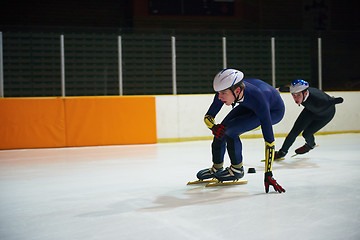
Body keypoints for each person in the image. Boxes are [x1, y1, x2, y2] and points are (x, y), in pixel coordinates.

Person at [197, 68, 286, 193]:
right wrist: (214, 127)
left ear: (237, 90)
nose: (219, 97)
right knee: (221, 131)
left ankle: (237, 170)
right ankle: (217, 168)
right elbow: (208, 117)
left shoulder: (258, 98)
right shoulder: (227, 90)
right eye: (218, 93)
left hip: (272, 110)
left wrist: (268, 174)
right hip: (248, 104)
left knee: (231, 131)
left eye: (223, 94)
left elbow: (269, 141)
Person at [274, 79, 344, 159]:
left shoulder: (319, 98)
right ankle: (282, 152)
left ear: (305, 93)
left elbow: (334, 100)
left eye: (298, 95)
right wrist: (276, 90)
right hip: (310, 111)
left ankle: (310, 145)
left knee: (307, 133)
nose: (296, 98)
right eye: (294, 95)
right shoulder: (300, 92)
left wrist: (336, 100)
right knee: (294, 131)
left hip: (325, 115)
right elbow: (286, 89)